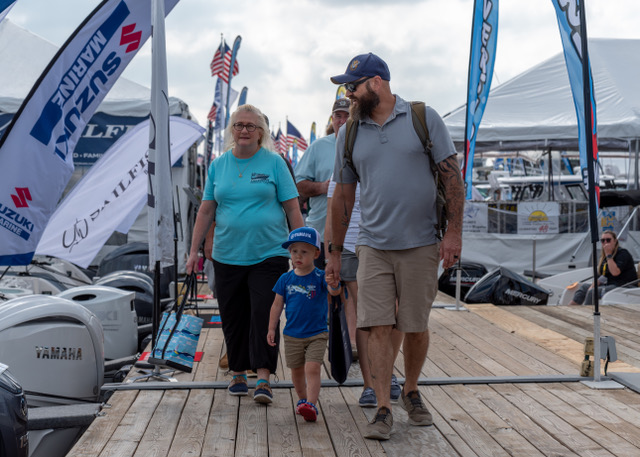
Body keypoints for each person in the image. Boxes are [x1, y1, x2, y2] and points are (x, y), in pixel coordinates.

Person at [326, 53, 464, 440]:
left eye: (353, 86)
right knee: (377, 326)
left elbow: (452, 179)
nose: (348, 93)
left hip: (421, 243)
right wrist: (334, 252)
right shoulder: (349, 134)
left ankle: (412, 390)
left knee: (415, 326)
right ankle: (384, 406)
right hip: (372, 244)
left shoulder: (424, 118)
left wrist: (454, 234)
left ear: (377, 82)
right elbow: (341, 197)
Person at [186, 104, 303, 405]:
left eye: (251, 126)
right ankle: (238, 372)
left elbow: (292, 208)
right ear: (232, 130)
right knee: (233, 315)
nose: (244, 130)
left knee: (265, 314)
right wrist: (193, 251)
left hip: (268, 253)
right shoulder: (218, 165)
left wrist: (301, 247)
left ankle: (263, 377)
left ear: (261, 132)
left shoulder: (275, 163)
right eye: (239, 125)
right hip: (227, 255)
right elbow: (206, 210)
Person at [325, 178, 404, 408]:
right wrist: (330, 257)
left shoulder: (390, 165)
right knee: (366, 314)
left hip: (389, 245)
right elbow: (331, 215)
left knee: (396, 311)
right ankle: (370, 384)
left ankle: (386, 371)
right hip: (350, 245)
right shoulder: (342, 171)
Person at [267, 227, 341, 422]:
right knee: (297, 371)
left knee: (312, 368)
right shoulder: (285, 279)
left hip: (317, 333)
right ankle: (302, 400)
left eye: (304, 251)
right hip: (292, 334)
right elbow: (276, 305)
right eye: (294, 251)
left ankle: (311, 404)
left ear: (316, 253)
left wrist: (334, 284)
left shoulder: (320, 276)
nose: (298, 256)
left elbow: (334, 292)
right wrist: (271, 328)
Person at [295, 98, 351, 269]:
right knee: (321, 283)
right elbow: (297, 184)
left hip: (355, 236)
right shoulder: (318, 147)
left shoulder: (365, 146)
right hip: (319, 234)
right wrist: (322, 187)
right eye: (338, 116)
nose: (342, 121)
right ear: (332, 119)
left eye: (347, 116)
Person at [569, 230, 637, 306]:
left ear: (615, 241)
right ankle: (570, 308)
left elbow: (615, 272)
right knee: (584, 288)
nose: (605, 242)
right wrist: (591, 286)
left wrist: (608, 255)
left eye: (608, 240)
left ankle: (587, 312)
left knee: (593, 292)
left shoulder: (622, 253)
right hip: (611, 284)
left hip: (624, 286)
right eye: (603, 240)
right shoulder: (605, 257)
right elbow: (602, 276)